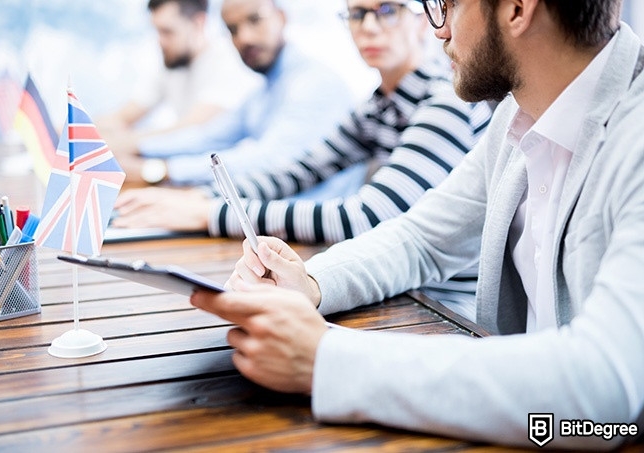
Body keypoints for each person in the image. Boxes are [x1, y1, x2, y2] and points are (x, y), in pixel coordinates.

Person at [189, 0, 644, 449]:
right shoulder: (518, 116)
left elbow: (602, 389)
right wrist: (309, 283)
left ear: (517, 9)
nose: (438, 30)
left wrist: (327, 361)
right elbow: (421, 239)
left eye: (445, 5)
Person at [113, 0, 492, 316]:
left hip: (442, 308)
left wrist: (209, 214)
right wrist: (202, 197)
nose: (370, 27)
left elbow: (364, 216)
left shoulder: (444, 100)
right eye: (358, 14)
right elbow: (295, 172)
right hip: (396, 289)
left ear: (423, 19)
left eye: (388, 9)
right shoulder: (379, 106)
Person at [116, 0, 357, 187]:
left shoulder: (314, 84)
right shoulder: (262, 91)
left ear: (281, 17)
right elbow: (208, 137)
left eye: (255, 20)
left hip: (309, 235)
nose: (245, 37)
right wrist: (137, 150)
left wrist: (159, 170)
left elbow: (267, 159)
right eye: (233, 29)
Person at [97, 0, 261, 157]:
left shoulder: (228, 59)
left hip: (223, 173)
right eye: (157, 31)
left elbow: (192, 128)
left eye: (167, 32)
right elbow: (125, 116)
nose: (160, 41)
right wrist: (85, 132)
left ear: (198, 23)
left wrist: (122, 142)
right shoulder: (172, 62)